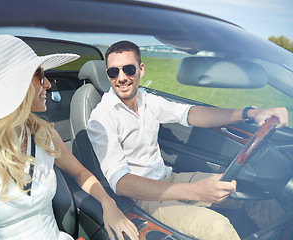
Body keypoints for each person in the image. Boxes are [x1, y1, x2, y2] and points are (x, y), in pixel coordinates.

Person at [86, 40, 289, 240]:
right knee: (217, 227)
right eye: (113, 72)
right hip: (141, 197)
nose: (121, 78)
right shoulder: (101, 118)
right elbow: (121, 183)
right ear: (108, 75)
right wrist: (196, 191)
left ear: (141, 70)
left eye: (128, 69)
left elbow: (189, 114)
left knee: (243, 189)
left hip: (169, 179)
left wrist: (248, 113)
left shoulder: (146, 100)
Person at [0, 35, 139, 240]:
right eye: (40, 75)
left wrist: (108, 204)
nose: (48, 84)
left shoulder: (44, 134)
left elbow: (81, 174)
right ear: (14, 86)